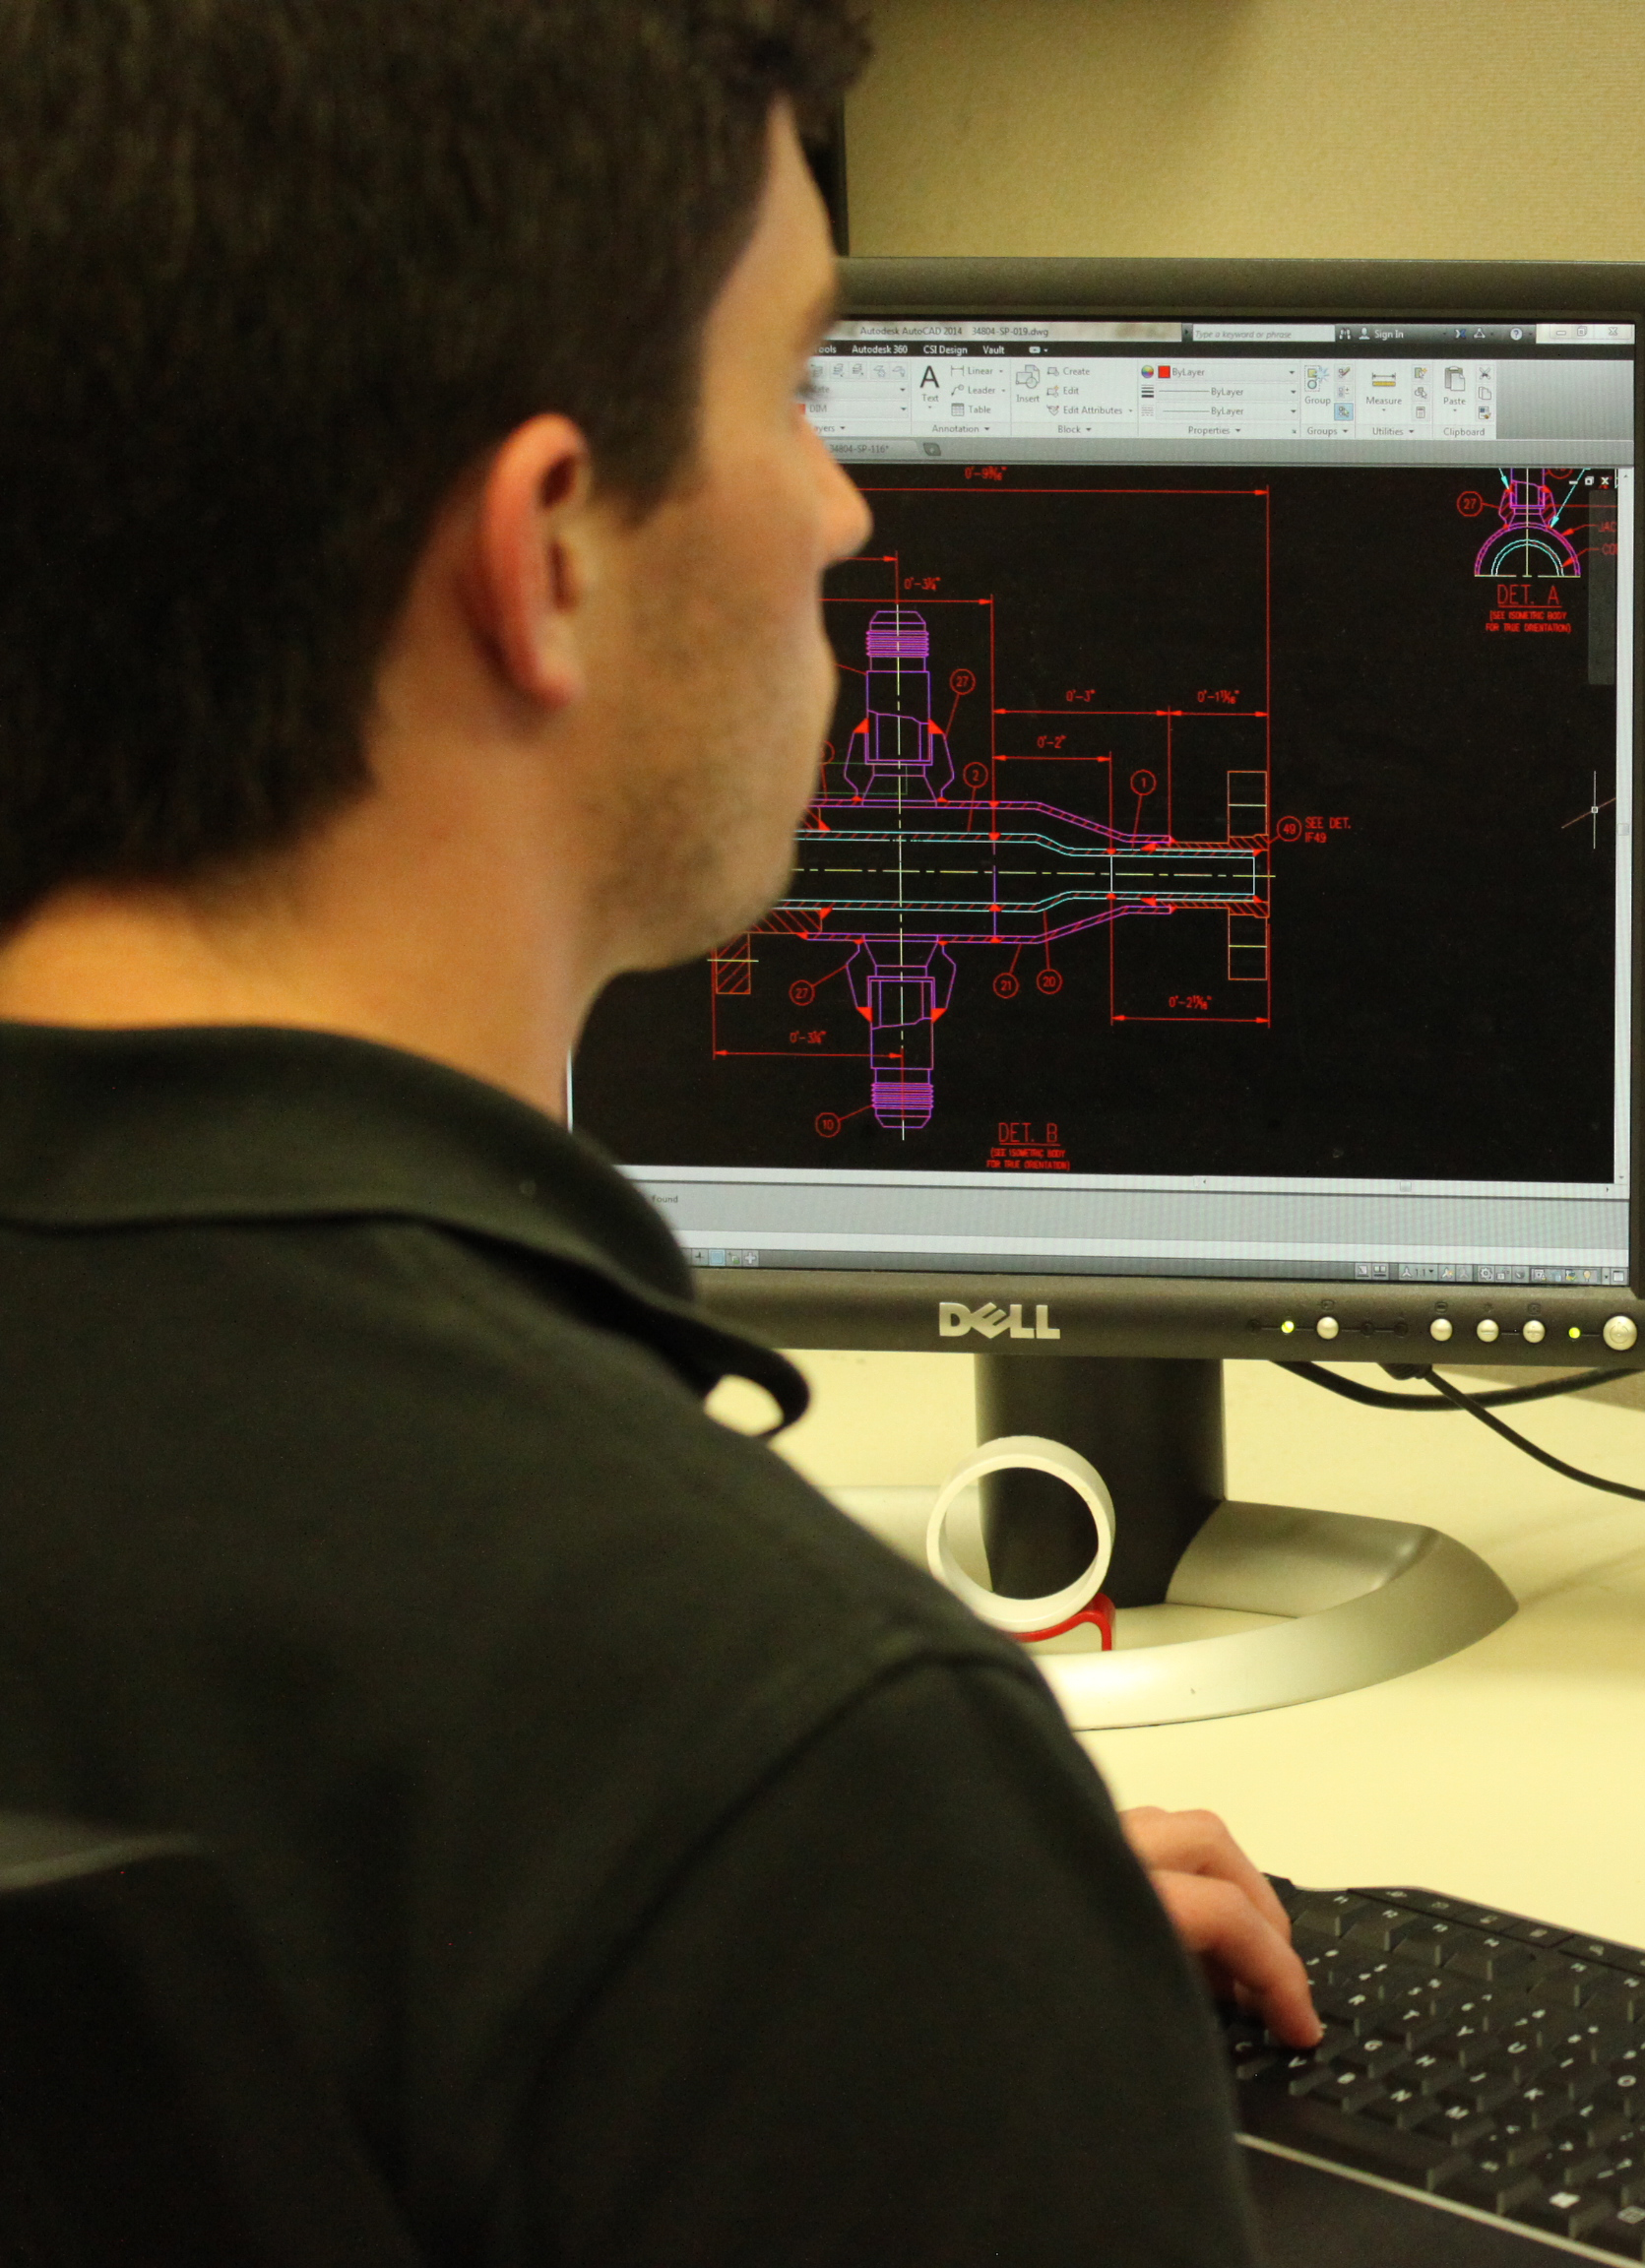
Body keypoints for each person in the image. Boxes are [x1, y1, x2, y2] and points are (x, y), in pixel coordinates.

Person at [0, 3, 1310, 2259]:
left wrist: (843, 1963)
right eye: (794, 387)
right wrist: (861, 1902)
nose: (846, 503)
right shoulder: (769, 1733)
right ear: (548, 557)